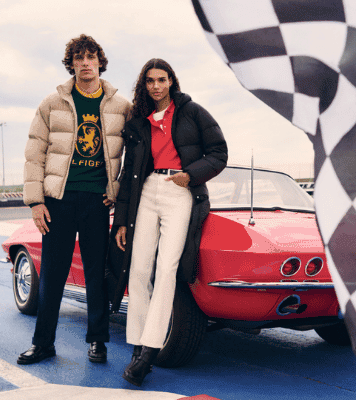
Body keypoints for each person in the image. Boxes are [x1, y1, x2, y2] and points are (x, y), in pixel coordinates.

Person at [111, 58, 227, 386]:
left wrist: (190, 175)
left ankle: (148, 353)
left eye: (162, 79)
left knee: (166, 271)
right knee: (138, 270)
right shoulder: (139, 122)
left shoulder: (192, 112)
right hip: (146, 192)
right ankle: (137, 345)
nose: (156, 86)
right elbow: (127, 174)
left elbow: (219, 152)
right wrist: (121, 220)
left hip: (180, 192)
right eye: (150, 80)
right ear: (144, 84)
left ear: (172, 81)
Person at [17, 34, 131, 365]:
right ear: (72, 64)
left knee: (97, 274)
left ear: (100, 62)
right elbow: (33, 154)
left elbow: (140, 152)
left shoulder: (120, 107)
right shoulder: (51, 104)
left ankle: (97, 341)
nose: (85, 63)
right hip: (59, 203)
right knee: (53, 274)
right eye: (78, 58)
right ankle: (43, 343)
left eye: (90, 57)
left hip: (97, 202)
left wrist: (116, 191)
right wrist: (36, 201)